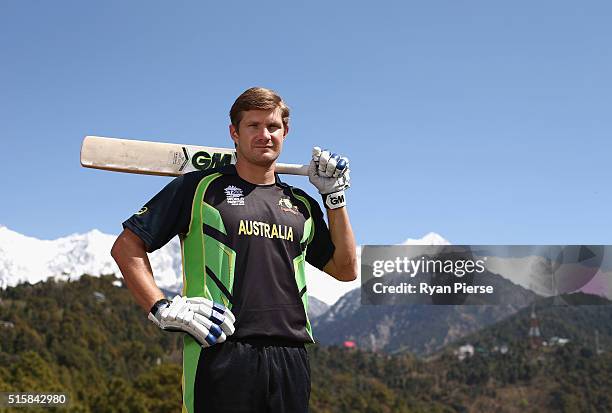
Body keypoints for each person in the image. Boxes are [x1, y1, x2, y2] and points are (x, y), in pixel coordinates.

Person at [111, 87, 357, 413]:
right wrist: (160, 307)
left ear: (285, 132)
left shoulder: (302, 205)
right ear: (234, 133)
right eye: (253, 126)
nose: (264, 135)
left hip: (291, 354)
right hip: (220, 347)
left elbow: (345, 269)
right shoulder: (199, 188)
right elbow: (126, 246)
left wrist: (335, 199)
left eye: (272, 126)